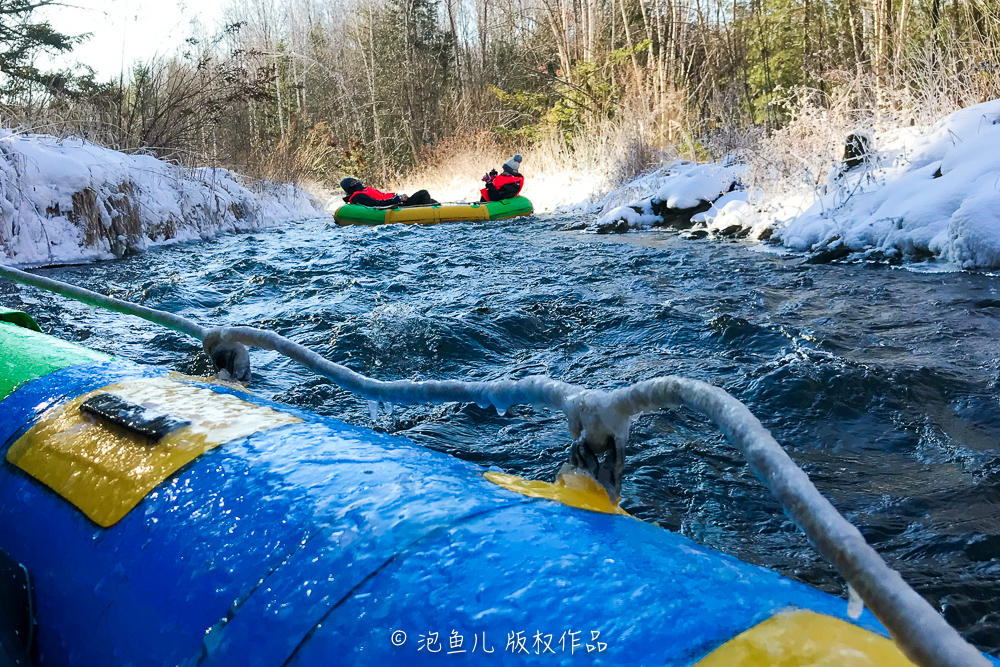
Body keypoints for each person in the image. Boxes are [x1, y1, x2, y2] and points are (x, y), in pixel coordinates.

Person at [340, 177, 438, 207]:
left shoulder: (364, 190)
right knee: (423, 193)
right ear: (349, 188)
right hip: (393, 206)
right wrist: (395, 200)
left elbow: (381, 197)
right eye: (353, 183)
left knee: (433, 201)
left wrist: (398, 197)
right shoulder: (358, 196)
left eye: (356, 180)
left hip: (394, 202)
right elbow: (377, 204)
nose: (357, 183)